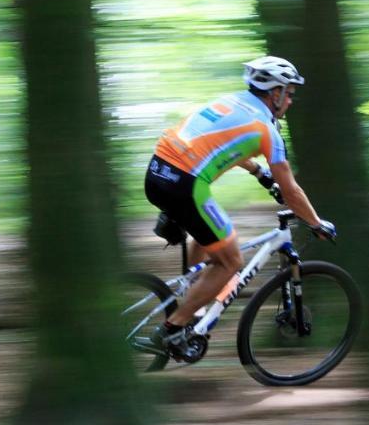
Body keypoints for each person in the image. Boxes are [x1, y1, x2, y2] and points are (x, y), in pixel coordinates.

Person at [144, 56, 336, 356]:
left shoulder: (231, 102)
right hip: (184, 185)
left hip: (157, 172)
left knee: (210, 234)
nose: (290, 102)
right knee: (231, 261)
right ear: (275, 93)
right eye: (290, 94)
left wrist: (259, 173)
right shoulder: (267, 131)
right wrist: (315, 222)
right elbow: (292, 190)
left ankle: (193, 294)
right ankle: (171, 331)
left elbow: (221, 143)